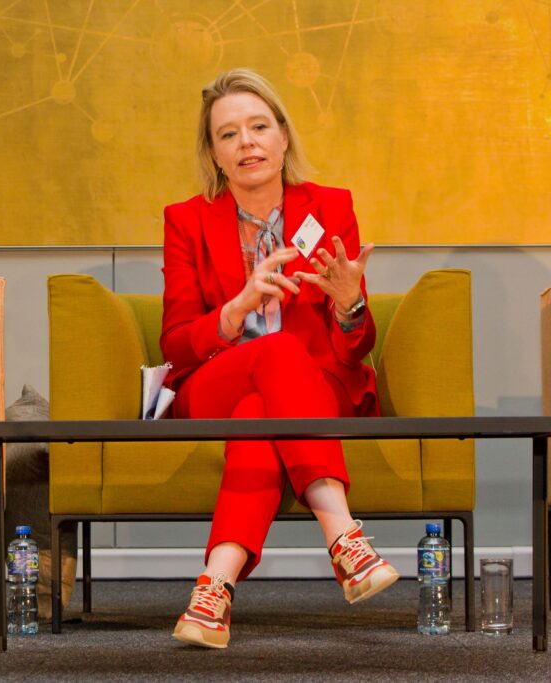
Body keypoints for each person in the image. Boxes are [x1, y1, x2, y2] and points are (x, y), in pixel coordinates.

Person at [160, 68, 399, 649]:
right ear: (214, 154)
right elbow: (175, 343)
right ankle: (343, 534)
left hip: (310, 391)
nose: (247, 142)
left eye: (259, 127)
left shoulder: (331, 206)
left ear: (284, 136)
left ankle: (213, 590)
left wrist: (350, 305)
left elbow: (353, 346)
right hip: (213, 387)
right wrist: (235, 309)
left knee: (258, 411)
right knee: (274, 353)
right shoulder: (186, 220)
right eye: (229, 134)